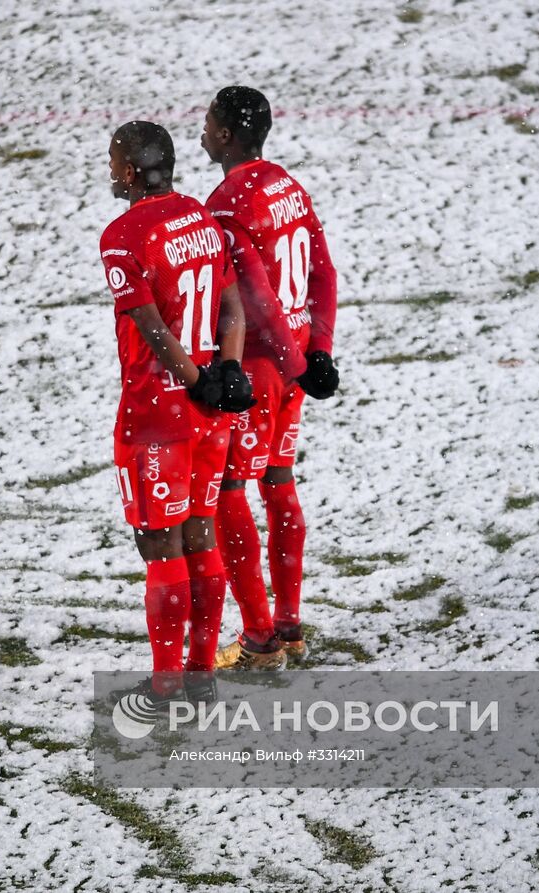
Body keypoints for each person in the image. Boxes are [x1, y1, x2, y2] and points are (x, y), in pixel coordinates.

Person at [99, 120, 254, 698]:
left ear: (133, 171)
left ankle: (166, 686)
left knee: (159, 545)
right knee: (200, 535)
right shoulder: (201, 217)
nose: (112, 172)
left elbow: (153, 328)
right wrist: (227, 372)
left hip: (157, 412)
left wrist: (193, 381)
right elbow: (232, 305)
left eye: (115, 163)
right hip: (211, 409)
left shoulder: (121, 235)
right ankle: (201, 674)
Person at [200, 86, 341, 669]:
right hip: (297, 358)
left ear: (228, 136)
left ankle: (259, 638)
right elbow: (324, 271)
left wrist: (289, 361)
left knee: (231, 491)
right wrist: (318, 352)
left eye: (208, 125)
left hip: (262, 365)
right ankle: (289, 622)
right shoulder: (286, 183)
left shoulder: (229, 202)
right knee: (279, 481)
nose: (203, 134)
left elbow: (255, 296)